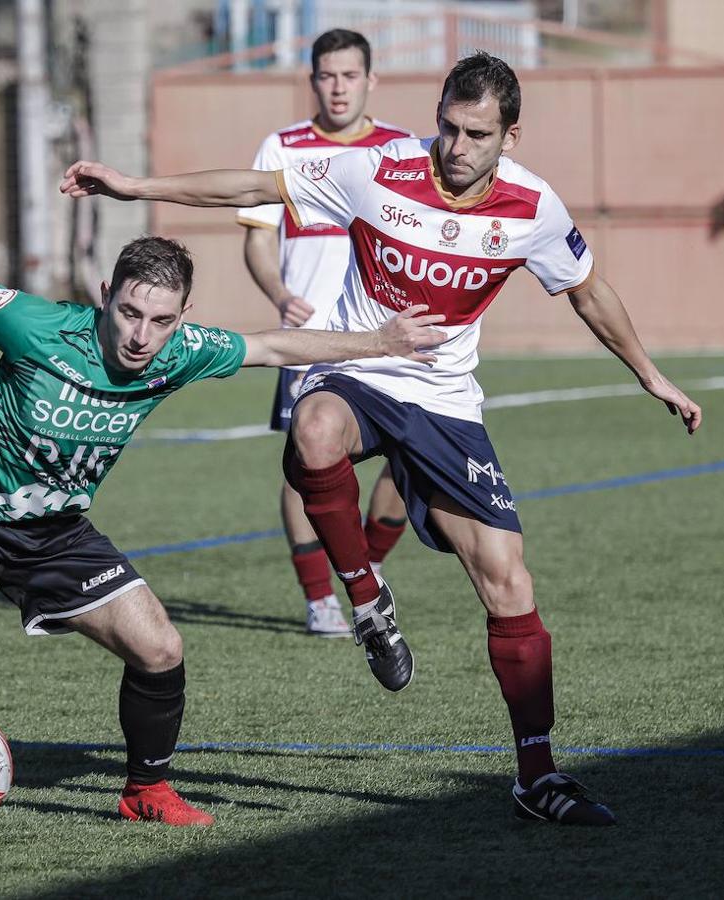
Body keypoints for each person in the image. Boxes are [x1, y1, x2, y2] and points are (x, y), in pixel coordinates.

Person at [59, 52, 704, 826]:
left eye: (477, 134)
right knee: (313, 428)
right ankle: (366, 598)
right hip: (360, 367)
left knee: (508, 581)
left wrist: (650, 374)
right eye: (448, 127)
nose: (456, 146)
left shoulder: (533, 207)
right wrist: (136, 188)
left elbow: (588, 290)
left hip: (444, 403)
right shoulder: (380, 167)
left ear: (510, 136)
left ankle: (537, 776)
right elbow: (254, 188)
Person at [0, 227, 446, 827]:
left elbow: (272, 345)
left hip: (54, 530)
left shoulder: (181, 352)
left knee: (161, 648)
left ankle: (146, 790)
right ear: (105, 297)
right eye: (129, 312)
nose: (140, 336)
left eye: (160, 320)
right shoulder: (35, 325)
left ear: (182, 319)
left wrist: (379, 342)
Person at [240, 28, 415, 638]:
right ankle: (322, 599)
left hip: (387, 335)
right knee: (305, 464)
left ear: (371, 80)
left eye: (349, 75)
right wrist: (278, 294)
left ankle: (366, 572)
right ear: (312, 81)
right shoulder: (282, 147)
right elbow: (258, 240)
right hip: (311, 338)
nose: (338, 87)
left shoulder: (401, 149)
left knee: (411, 460)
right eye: (327, 75)